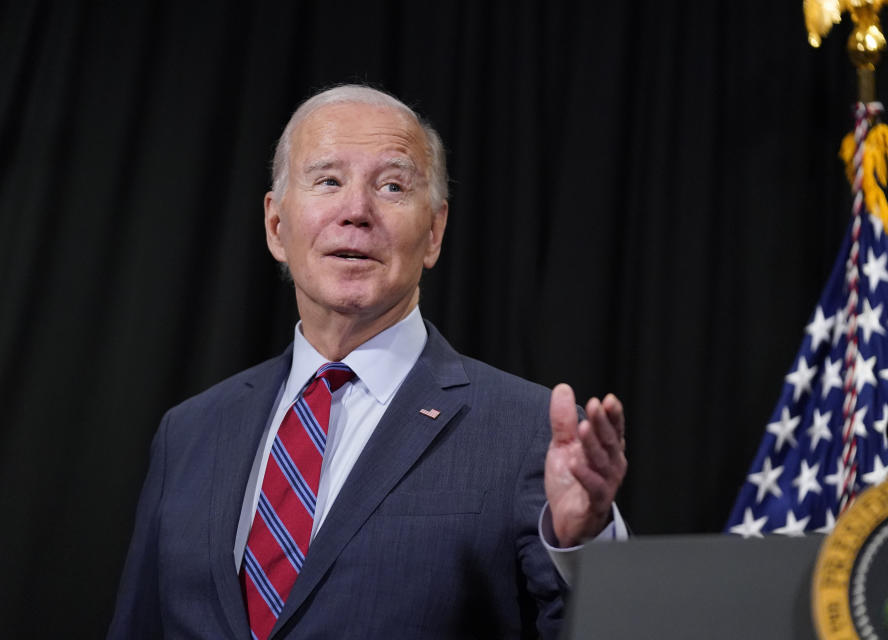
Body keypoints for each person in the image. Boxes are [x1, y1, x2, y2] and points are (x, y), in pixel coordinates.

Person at [108, 84, 627, 639]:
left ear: (433, 233)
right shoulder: (188, 432)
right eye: (328, 180)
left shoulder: (526, 429)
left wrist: (584, 547)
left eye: (392, 186)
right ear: (276, 226)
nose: (356, 211)